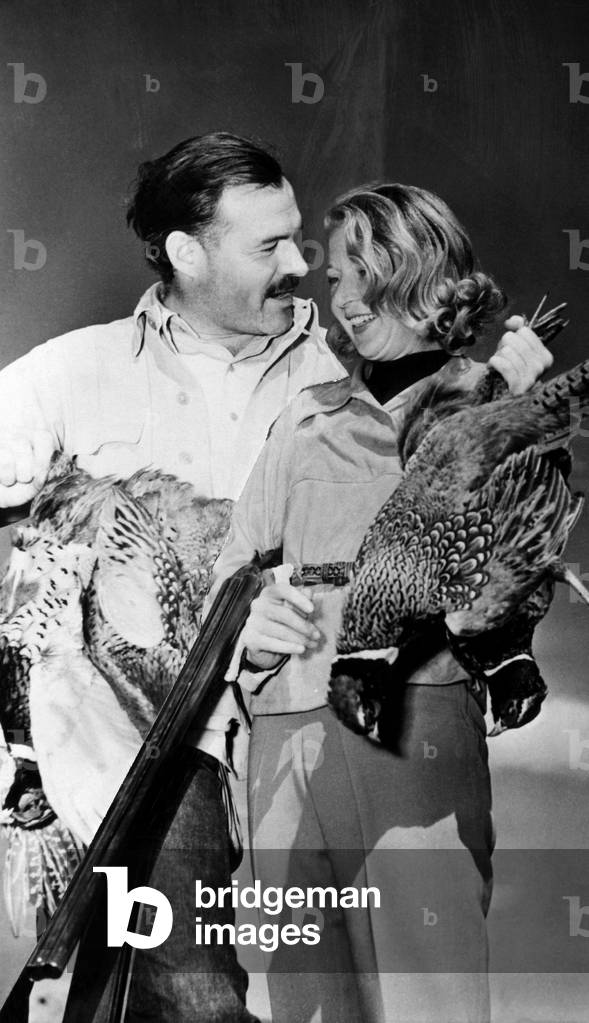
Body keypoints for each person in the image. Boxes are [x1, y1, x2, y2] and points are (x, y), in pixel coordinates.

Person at [0, 135, 549, 1022]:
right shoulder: (78, 373)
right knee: (199, 999)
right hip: (157, 751)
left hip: (332, 730)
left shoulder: (342, 376)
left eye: (307, 247)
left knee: (392, 983)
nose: (301, 268)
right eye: (270, 248)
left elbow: (472, 521)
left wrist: (499, 406)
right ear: (187, 251)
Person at [207, 182, 554, 1023]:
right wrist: (247, 639)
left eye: (361, 268)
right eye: (334, 275)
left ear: (421, 274)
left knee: (421, 992)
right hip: (284, 727)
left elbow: (515, 563)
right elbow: (231, 576)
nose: (341, 295)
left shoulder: (492, 404)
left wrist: (506, 408)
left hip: (409, 725)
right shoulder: (304, 420)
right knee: (302, 1001)